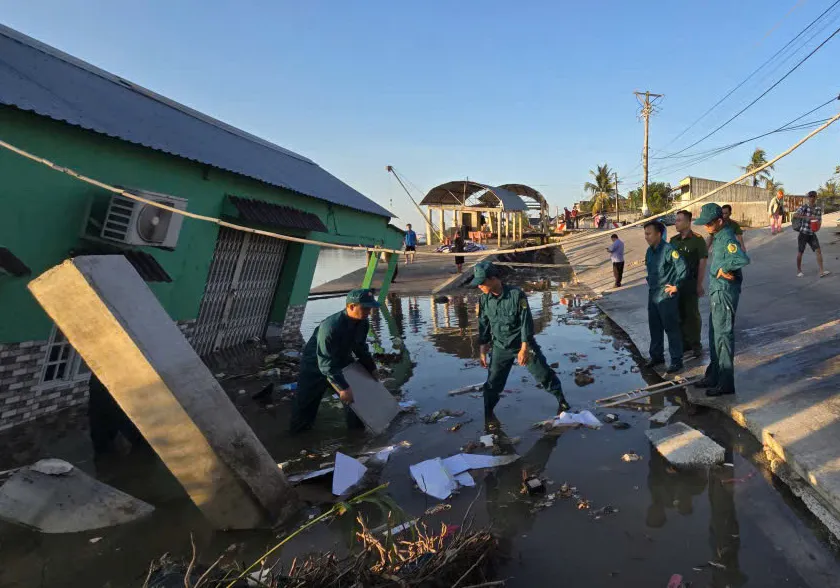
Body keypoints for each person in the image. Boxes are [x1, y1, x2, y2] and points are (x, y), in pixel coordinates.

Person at [472, 261, 569, 420]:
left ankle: (562, 402)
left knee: (543, 374)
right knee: (492, 385)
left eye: (482, 283)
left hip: (522, 344)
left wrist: (524, 348)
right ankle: (488, 415)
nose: (479, 286)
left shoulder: (516, 295)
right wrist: (483, 348)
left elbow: (526, 322)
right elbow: (483, 323)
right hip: (500, 347)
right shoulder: (484, 300)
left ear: (493, 278)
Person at [290, 289, 380, 433]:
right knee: (305, 409)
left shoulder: (363, 323)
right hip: (315, 367)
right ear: (351, 306)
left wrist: (372, 368)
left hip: (342, 362)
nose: (369, 312)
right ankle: (297, 440)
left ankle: (356, 438)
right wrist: (343, 387)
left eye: (370, 308)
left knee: (355, 401)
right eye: (365, 308)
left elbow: (361, 348)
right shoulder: (331, 327)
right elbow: (325, 362)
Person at [693, 203, 750, 397]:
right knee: (714, 336)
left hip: (725, 293)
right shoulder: (717, 236)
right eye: (705, 224)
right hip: (717, 293)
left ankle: (725, 383)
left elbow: (742, 259)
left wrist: (723, 269)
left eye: (709, 223)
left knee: (723, 337)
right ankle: (713, 375)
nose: (706, 227)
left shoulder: (726, 237)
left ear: (719, 221)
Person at [643, 220, 687, 373]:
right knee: (654, 327)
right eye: (645, 234)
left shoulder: (669, 250)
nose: (646, 237)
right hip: (653, 295)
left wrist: (677, 286)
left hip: (666, 296)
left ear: (659, 234)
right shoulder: (649, 251)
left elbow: (682, 268)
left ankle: (676, 360)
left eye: (649, 234)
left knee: (671, 328)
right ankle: (656, 356)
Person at [670, 210, 708, 359]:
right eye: (676, 220)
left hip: (690, 283)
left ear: (688, 222)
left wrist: (699, 284)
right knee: (678, 314)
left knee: (692, 315)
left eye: (679, 220)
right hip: (675, 285)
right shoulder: (673, 241)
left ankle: (695, 344)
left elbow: (702, 264)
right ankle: (684, 345)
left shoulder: (698, 241)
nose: (676, 223)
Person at [793, 190, 830, 278]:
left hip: (812, 233)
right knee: (800, 252)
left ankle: (821, 271)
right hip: (803, 233)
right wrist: (808, 217)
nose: (812, 198)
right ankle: (799, 270)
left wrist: (818, 227)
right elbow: (795, 215)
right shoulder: (804, 207)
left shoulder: (818, 209)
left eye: (814, 196)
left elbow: (819, 220)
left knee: (818, 251)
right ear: (808, 198)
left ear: (816, 198)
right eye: (811, 196)